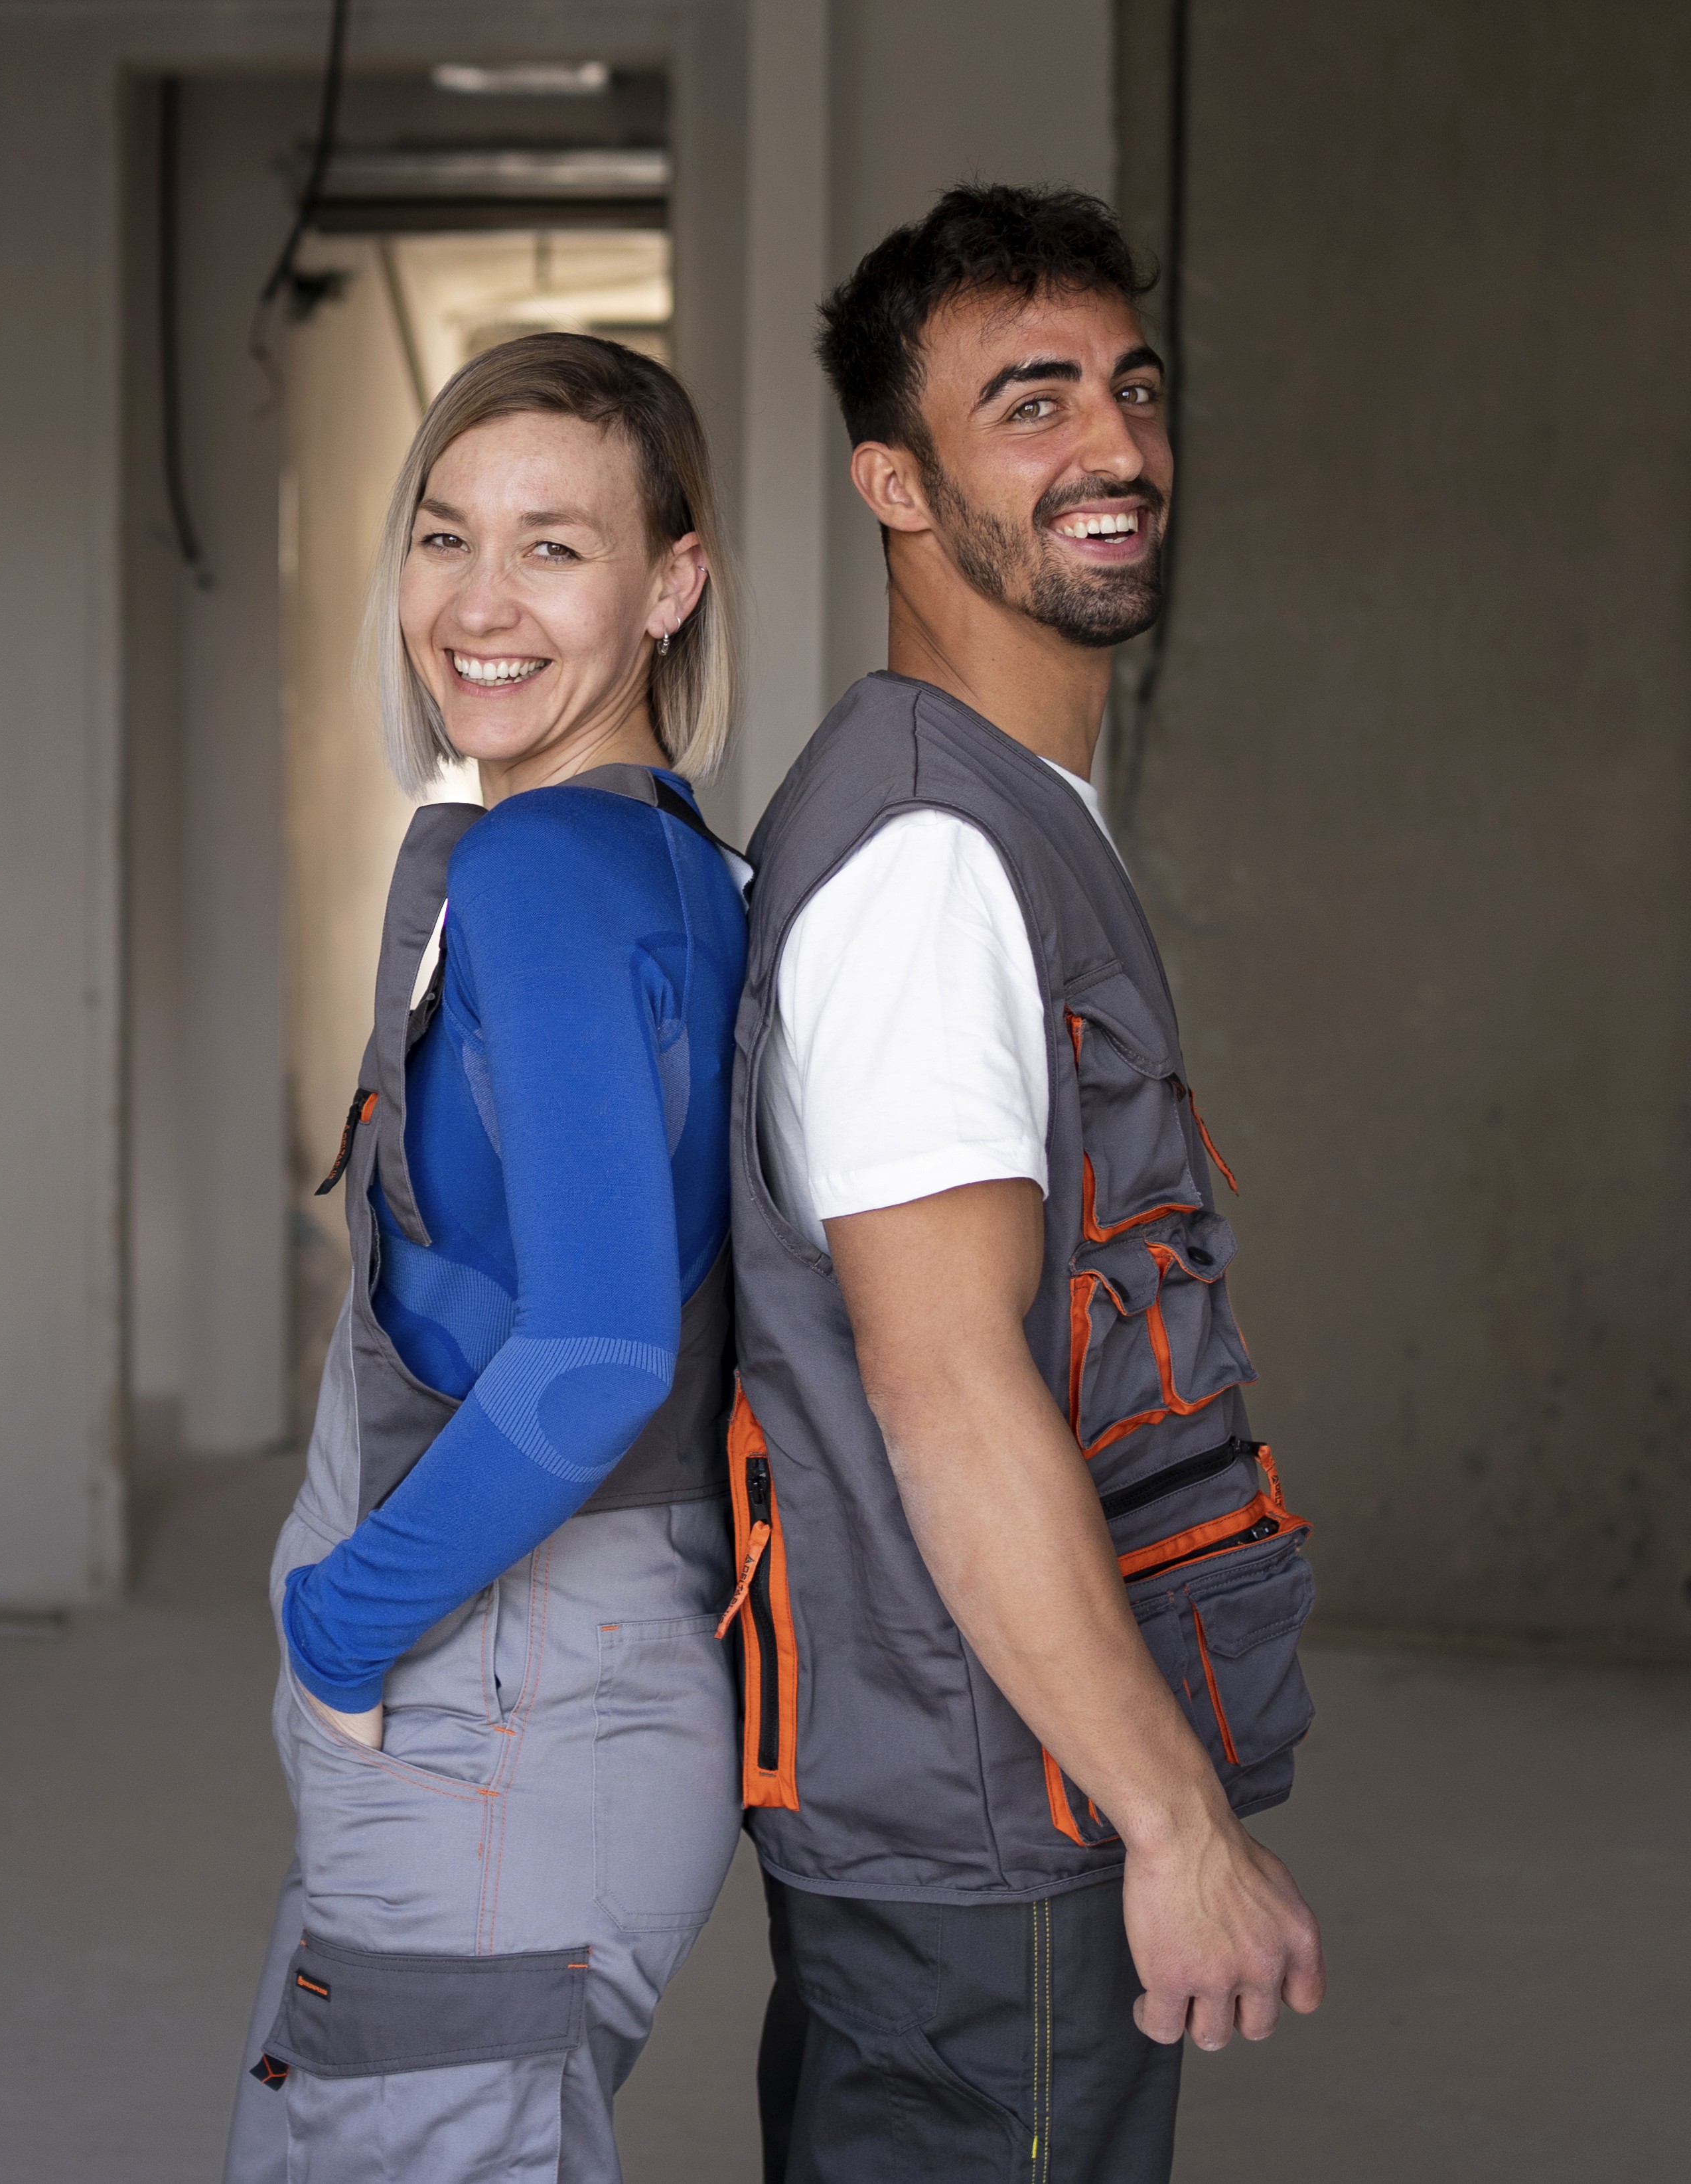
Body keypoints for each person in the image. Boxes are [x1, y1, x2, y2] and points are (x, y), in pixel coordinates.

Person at [725, 185, 1326, 2181]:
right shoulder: (925, 863)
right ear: (892, 483)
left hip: (981, 1803)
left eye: (1132, 390)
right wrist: (1173, 1822)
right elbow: (942, 1381)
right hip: (993, 1829)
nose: (1116, 448)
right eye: (1031, 402)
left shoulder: (997, 811)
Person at [224, 333, 750, 2184]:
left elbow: (600, 1347)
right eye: (445, 537)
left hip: (506, 1685)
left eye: (552, 546)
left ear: (671, 582)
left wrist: (341, 1618)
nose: (476, 601)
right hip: (572, 1684)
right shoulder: (676, 862)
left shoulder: (534, 874)